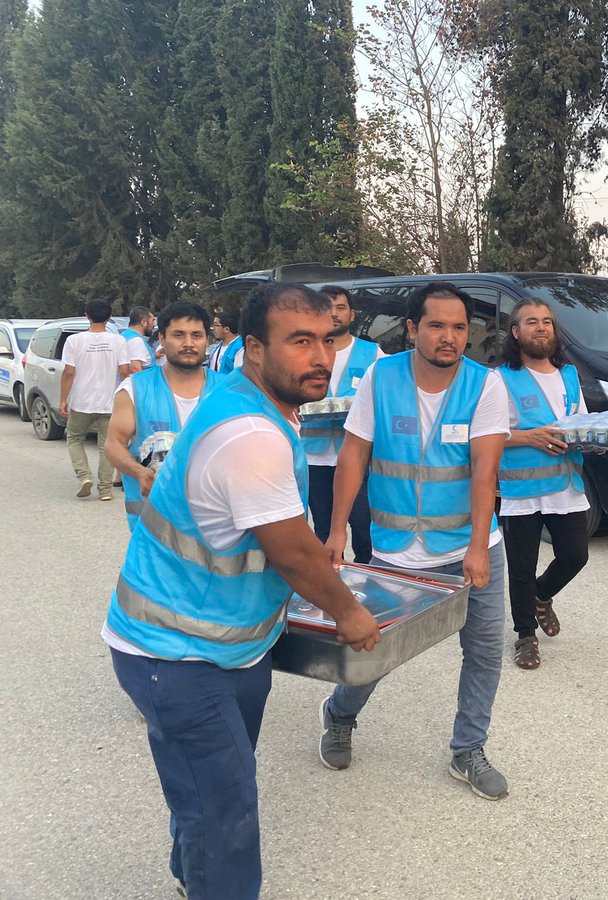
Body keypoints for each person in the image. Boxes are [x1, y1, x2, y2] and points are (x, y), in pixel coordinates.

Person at [104, 283, 381, 899]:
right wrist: (349, 612)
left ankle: (191, 876)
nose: (321, 357)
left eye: (328, 340)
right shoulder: (250, 434)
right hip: (175, 652)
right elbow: (293, 553)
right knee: (226, 811)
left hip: (226, 646)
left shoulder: (248, 397)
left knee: (205, 792)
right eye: (300, 341)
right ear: (254, 348)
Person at [318, 282, 510, 801]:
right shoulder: (381, 377)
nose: (450, 337)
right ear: (412, 329)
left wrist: (478, 545)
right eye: (437, 325)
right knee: (374, 651)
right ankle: (340, 715)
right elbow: (353, 455)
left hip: (470, 545)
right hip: (396, 548)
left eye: (459, 327)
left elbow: (484, 470)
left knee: (484, 651)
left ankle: (468, 749)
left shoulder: (486, 385)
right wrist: (336, 530)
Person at [496, 299, 591, 670]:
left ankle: (540, 595)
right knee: (521, 567)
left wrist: (598, 438)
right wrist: (529, 437)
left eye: (547, 321)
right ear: (516, 332)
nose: (541, 327)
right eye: (532, 322)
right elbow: (486, 433)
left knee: (575, 555)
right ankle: (525, 636)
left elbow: (581, 421)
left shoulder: (568, 374)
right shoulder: (500, 378)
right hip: (522, 490)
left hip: (566, 484)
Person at [106, 302, 224, 531]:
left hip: (217, 528)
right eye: (178, 335)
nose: (188, 343)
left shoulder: (228, 391)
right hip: (154, 531)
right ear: (162, 338)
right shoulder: (135, 389)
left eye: (196, 335)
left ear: (206, 340)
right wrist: (139, 472)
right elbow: (113, 444)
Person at [302, 286, 385, 563]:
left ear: (352, 313)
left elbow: (385, 397)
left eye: (340, 307)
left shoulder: (373, 354)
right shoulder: (305, 351)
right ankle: (328, 581)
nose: (334, 314)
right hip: (314, 457)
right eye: (328, 308)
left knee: (363, 526)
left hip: (357, 458)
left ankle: (367, 577)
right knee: (323, 529)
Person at [60, 298, 125, 500]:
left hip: (81, 402)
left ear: (87, 316)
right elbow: (125, 371)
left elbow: (68, 373)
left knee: (74, 438)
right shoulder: (118, 341)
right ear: (109, 317)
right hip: (109, 402)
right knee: (107, 445)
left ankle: (84, 476)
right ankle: (105, 489)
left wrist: (63, 399)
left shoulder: (74, 341)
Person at [119, 305, 156, 378]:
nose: (154, 325)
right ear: (144, 322)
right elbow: (135, 369)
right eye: (152, 320)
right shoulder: (136, 341)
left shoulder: (125, 336)